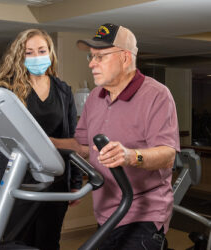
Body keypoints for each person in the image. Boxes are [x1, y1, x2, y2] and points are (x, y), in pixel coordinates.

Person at [52, 23, 180, 250]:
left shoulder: (157, 95)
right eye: (91, 57)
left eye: (100, 57)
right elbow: (82, 146)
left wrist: (130, 156)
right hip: (106, 213)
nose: (92, 64)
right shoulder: (94, 97)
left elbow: (168, 155)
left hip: (143, 213)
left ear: (125, 58)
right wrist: (44, 141)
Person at [0, 28, 85, 250]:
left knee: (49, 242)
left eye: (42, 50)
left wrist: (75, 183)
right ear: (20, 56)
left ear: (50, 53)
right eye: (29, 52)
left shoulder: (63, 90)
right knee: (17, 242)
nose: (37, 56)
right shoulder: (8, 89)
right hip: (18, 179)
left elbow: (71, 137)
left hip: (54, 178)